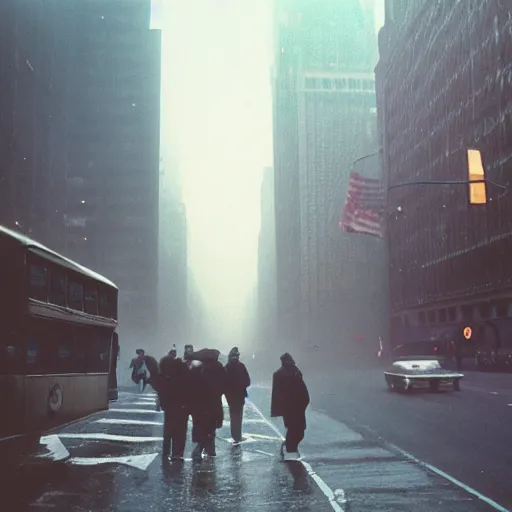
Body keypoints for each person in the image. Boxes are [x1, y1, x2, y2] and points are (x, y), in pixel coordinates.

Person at [188, 348, 226, 461]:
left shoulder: (199, 367)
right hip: (214, 402)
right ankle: (210, 449)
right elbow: (224, 383)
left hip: (200, 403)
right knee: (211, 427)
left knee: (201, 426)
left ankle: (200, 448)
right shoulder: (219, 367)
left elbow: (192, 384)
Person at [271, 352, 310, 461]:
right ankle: (290, 449)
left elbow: (277, 394)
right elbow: (302, 390)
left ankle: (289, 448)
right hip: (295, 406)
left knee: (294, 429)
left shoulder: (283, 373)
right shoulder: (294, 372)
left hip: (291, 407)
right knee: (297, 430)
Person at [159, 345, 189, 461]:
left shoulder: (166, 377)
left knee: (168, 429)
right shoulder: (183, 376)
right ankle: (177, 452)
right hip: (181, 407)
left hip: (169, 406)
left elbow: (162, 390)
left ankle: (166, 451)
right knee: (180, 431)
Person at [224, 346, 251, 444]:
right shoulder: (241, 366)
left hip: (231, 396)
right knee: (238, 416)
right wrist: (241, 385)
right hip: (240, 395)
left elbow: (224, 382)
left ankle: (235, 435)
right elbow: (248, 381)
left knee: (233, 415)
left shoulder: (227, 367)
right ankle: (237, 435)